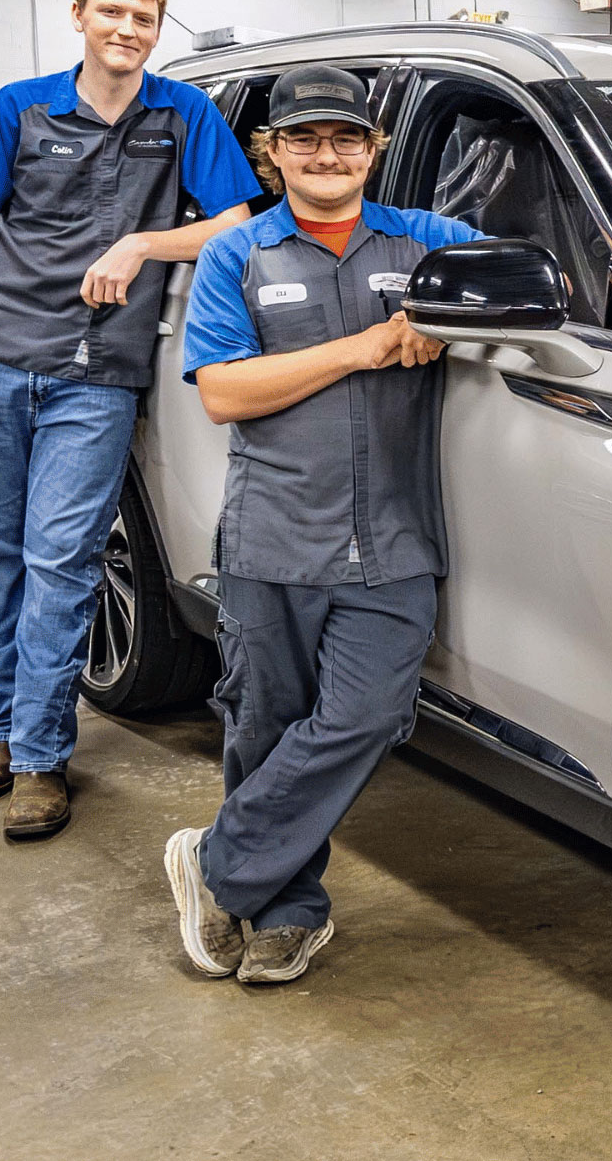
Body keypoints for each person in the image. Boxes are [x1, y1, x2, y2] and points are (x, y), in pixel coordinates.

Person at [162, 64, 485, 984]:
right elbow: (223, 390)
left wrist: (451, 314)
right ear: (272, 155)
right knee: (266, 722)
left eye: (347, 137)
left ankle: (216, 864)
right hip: (276, 533)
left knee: (370, 715)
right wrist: (371, 344)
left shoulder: (430, 242)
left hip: (394, 538)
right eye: (302, 138)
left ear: (375, 149)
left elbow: (526, 288)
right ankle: (288, 911)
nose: (326, 154)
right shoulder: (242, 255)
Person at [0, 0, 259, 838]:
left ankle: (40, 756)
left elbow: (236, 222)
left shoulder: (183, 113)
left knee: (62, 564)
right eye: (111, 13)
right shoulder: (21, 108)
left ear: (158, 31)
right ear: (79, 16)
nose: (128, 30)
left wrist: (145, 245)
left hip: (97, 376)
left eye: (144, 19)